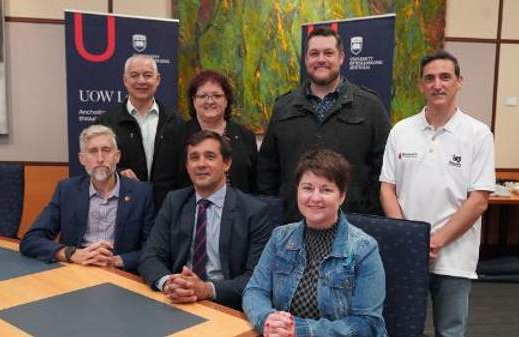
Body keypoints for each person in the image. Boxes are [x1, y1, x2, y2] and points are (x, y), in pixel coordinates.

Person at [379, 50, 495, 337]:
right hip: (407, 253)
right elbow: (387, 188)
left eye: (445, 77)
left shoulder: (478, 134)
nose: (437, 84)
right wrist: (408, 238)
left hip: (454, 256)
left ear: (459, 82)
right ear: (421, 85)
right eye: (429, 78)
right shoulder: (401, 131)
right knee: (401, 328)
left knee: (450, 331)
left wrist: (435, 242)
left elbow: (479, 200)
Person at [244, 149, 387, 337]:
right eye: (308, 188)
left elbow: (367, 324)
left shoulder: (364, 248)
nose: (315, 198)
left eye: (326, 189)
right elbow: (254, 290)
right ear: (297, 191)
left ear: (341, 196)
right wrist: (268, 319)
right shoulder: (280, 237)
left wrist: (301, 330)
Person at [257, 27, 391, 222]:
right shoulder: (283, 107)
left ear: (342, 57)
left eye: (328, 53)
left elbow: (384, 170)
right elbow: (267, 171)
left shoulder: (370, 106)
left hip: (352, 225)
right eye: (314, 53)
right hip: (292, 224)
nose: (321, 59)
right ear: (306, 59)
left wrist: (367, 214)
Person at [139, 130, 272, 310]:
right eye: (194, 158)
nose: (201, 164)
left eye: (210, 157)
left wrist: (207, 289)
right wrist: (169, 283)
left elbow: (257, 278)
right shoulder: (175, 201)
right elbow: (150, 256)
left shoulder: (254, 212)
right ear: (187, 167)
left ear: (227, 163)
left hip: (226, 306)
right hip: (178, 300)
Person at [20, 125, 155, 273]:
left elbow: (153, 249)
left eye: (106, 150)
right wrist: (71, 254)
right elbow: (31, 240)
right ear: (82, 159)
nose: (100, 159)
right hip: (76, 271)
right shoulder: (67, 190)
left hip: (121, 274)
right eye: (92, 151)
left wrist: (118, 260)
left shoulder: (142, 193)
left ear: (117, 157)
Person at [95, 54, 187, 209]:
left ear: (157, 80)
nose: (141, 81)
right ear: (125, 80)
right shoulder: (106, 122)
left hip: (166, 210)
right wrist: (117, 172)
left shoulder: (175, 122)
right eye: (134, 75)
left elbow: (184, 172)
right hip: (121, 209)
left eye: (147, 75)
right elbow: (96, 164)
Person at [185, 70, 257, 193]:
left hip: (240, 209)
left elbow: (255, 181)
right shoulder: (176, 134)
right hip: (191, 209)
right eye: (203, 96)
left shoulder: (245, 135)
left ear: (226, 100)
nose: (210, 101)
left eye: (217, 96)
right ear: (194, 101)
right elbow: (166, 183)